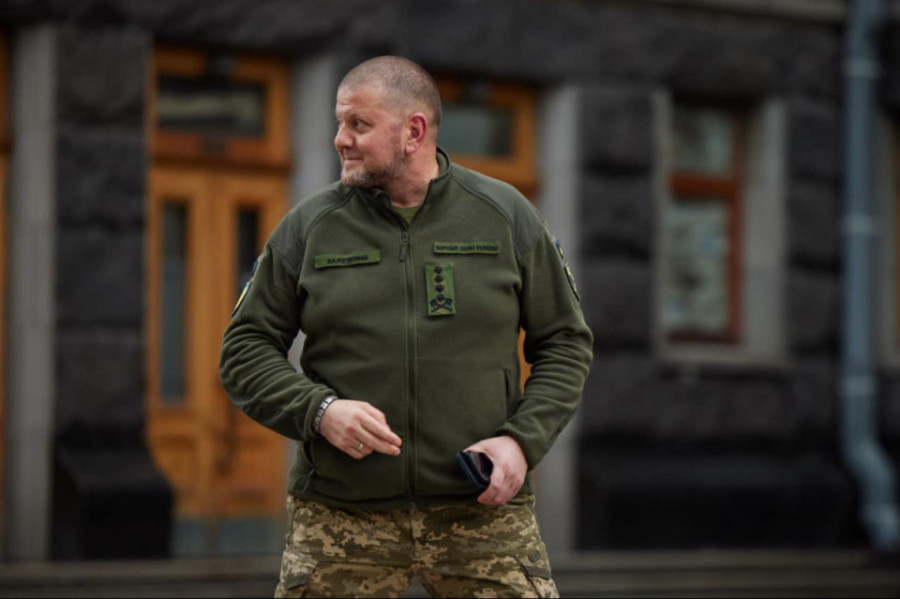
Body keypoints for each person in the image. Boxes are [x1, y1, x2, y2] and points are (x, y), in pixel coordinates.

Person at [220, 55, 593, 598]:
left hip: (481, 513)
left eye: (358, 124)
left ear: (413, 131)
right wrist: (318, 411)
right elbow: (244, 348)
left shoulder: (506, 216)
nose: (341, 139)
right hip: (341, 518)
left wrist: (521, 442)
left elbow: (565, 342)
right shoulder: (310, 227)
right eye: (339, 122)